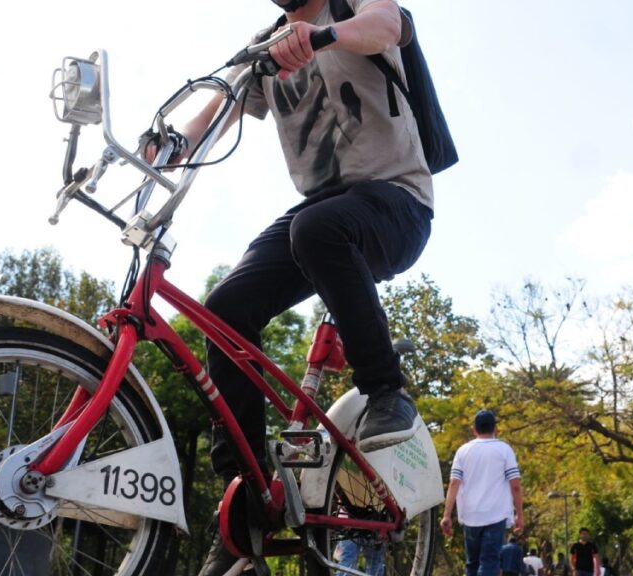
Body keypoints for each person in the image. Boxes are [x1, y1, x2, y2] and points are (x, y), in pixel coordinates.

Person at [149, 1, 434, 574]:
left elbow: (390, 25)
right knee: (226, 309)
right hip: (322, 215)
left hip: (397, 202)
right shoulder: (267, 45)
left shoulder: (351, 8)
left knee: (316, 228)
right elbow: (219, 109)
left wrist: (324, 34)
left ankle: (386, 393)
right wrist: (174, 144)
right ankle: (246, 499)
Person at [441, 409, 525, 576]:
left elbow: (454, 483)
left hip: (471, 515)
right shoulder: (504, 449)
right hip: (496, 515)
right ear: (496, 429)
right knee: (490, 561)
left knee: (472, 563)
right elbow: (515, 485)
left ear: (474, 429)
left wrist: (447, 515)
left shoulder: (463, 451)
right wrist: (520, 515)